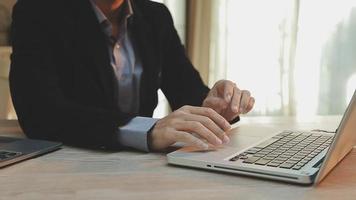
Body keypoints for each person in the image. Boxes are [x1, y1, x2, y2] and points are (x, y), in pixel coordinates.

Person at [9, 0, 255, 152]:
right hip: (69, 165)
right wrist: (145, 131)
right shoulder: (37, 11)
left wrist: (213, 107)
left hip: (143, 168)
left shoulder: (155, 15)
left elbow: (186, 89)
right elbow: (40, 114)